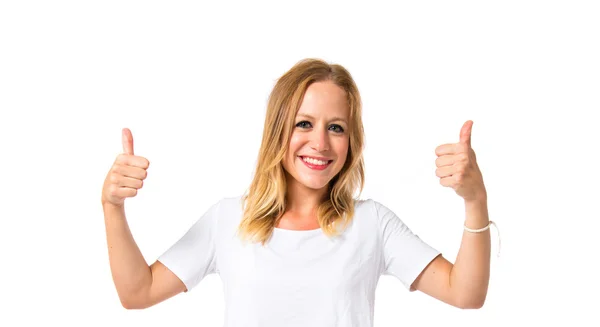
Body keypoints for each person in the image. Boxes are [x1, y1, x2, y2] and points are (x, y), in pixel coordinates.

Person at [101, 58, 493, 326]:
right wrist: (112, 206)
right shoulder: (228, 220)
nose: (320, 143)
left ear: (351, 142)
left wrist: (475, 201)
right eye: (304, 123)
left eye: (336, 128)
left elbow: (465, 293)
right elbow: (139, 292)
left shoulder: (372, 223)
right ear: (278, 131)